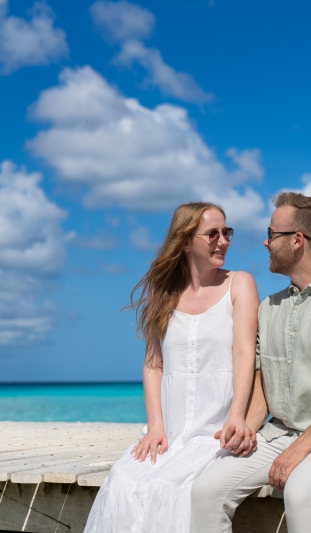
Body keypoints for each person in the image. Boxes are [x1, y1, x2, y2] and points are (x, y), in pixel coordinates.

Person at [191, 192, 311, 533]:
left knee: (300, 492)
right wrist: (247, 428)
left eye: (272, 234)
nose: (264, 242)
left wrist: (299, 451)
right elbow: (265, 384)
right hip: (278, 435)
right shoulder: (269, 306)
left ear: (296, 241)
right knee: (206, 490)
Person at [85, 202, 259, 533]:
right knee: (123, 480)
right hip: (170, 428)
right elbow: (153, 365)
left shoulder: (240, 283)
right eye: (212, 234)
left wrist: (237, 416)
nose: (222, 241)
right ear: (184, 242)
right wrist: (155, 427)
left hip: (215, 428)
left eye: (227, 232)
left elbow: (244, 354)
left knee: (174, 487)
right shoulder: (163, 292)